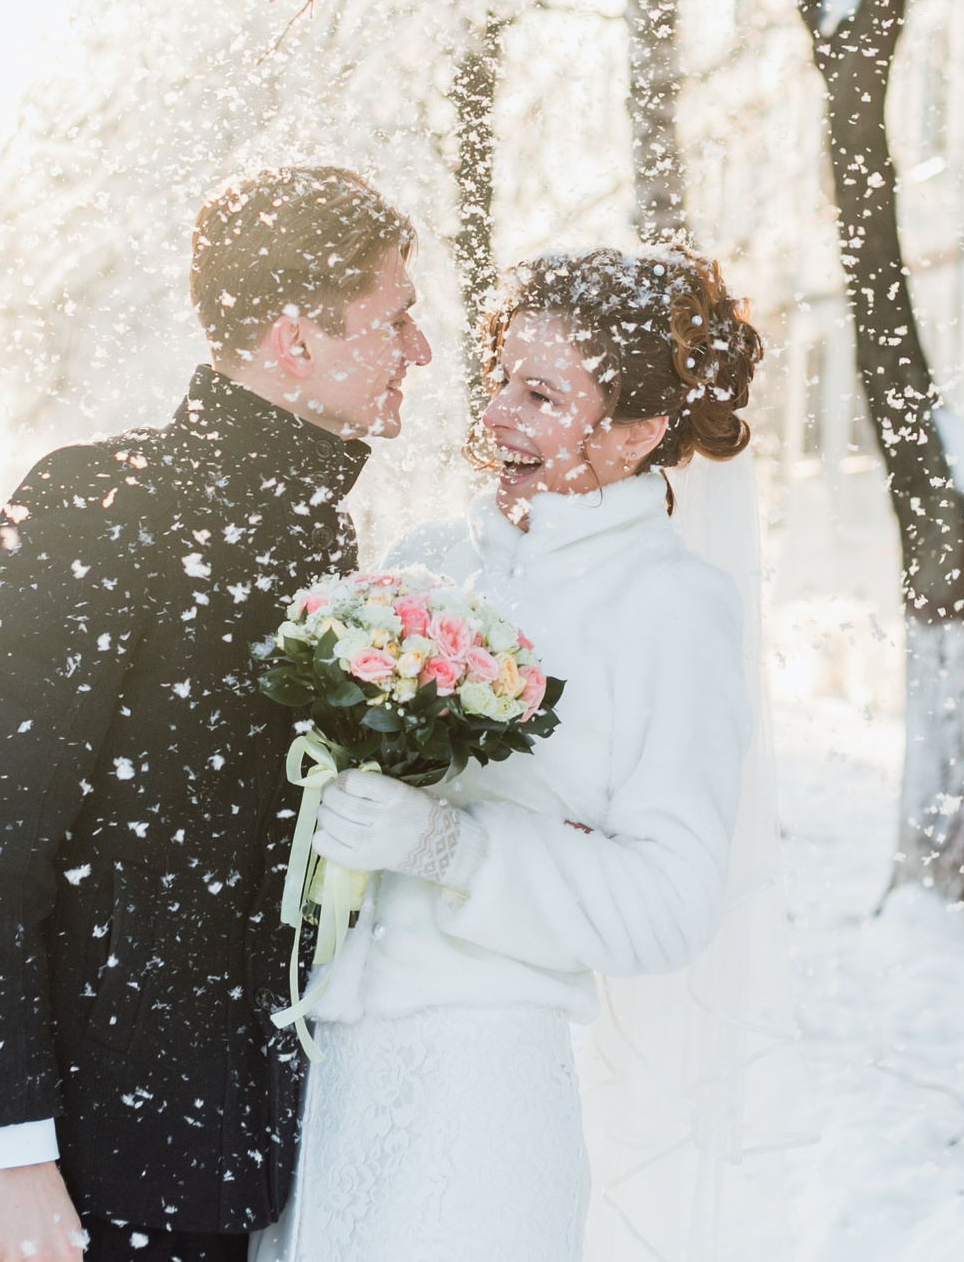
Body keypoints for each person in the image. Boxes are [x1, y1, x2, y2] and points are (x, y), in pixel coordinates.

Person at [0, 165, 431, 1262]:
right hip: (85, 1169)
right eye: (396, 319)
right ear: (297, 342)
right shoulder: (96, 509)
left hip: (240, 1152)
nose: (419, 353)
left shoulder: (322, 539)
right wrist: (7, 1151)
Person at [253, 245, 765, 1262]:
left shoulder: (671, 610)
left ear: (639, 431)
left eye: (540, 394)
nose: (494, 415)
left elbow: (669, 903)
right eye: (498, 380)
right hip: (332, 1064)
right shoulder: (425, 566)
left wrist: (452, 846)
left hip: (483, 1090)